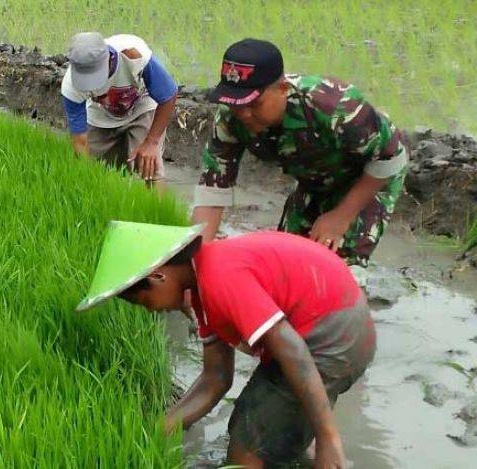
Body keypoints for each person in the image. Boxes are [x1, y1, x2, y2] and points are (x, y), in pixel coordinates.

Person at [77, 221, 376, 467]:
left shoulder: (218, 276)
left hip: (331, 338)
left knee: (246, 454)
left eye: (145, 302)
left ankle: (325, 452)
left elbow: (292, 350)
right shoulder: (201, 290)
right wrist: (152, 434)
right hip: (334, 333)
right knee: (256, 428)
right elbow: (215, 379)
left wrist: (328, 438)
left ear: (158, 276)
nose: (152, 310)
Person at [192, 38, 409, 267]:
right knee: (284, 267)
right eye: (235, 103)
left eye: (254, 104)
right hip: (313, 180)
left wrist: (341, 216)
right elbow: (213, 187)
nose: (243, 113)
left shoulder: (335, 107)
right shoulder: (230, 117)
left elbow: (390, 156)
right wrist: (195, 262)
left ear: (283, 90)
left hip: (368, 176)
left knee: (336, 271)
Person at [61, 32, 177, 189]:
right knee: (94, 171)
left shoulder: (134, 55)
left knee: (150, 168)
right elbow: (80, 142)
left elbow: (168, 96)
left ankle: (159, 212)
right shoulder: (71, 86)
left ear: (108, 59)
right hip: (99, 116)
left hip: (140, 107)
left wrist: (152, 142)